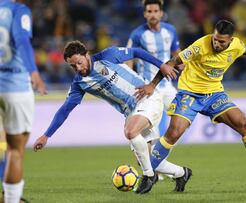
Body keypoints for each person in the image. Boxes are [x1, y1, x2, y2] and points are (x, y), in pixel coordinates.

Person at [136, 20, 246, 194]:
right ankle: (148, 176)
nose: (217, 43)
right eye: (215, 39)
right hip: (190, 94)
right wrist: (152, 85)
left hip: (214, 95)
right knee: (173, 134)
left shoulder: (237, 45)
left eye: (222, 41)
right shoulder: (200, 46)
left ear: (231, 40)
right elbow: (172, 61)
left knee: (244, 124)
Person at [32, 40, 190, 194]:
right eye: (73, 66)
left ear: (86, 55)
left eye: (79, 62)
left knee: (130, 132)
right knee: (145, 159)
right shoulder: (79, 83)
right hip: (132, 112)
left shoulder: (108, 56)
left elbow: (136, 52)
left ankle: (148, 177)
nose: (78, 68)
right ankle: (181, 173)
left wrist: (161, 65)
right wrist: (47, 135)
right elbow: (65, 110)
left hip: (147, 98)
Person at [126, 0, 181, 180]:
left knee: (181, 122)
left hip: (168, 87)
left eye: (155, 11)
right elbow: (129, 58)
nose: (152, 14)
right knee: (149, 132)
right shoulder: (137, 34)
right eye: (149, 11)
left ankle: (159, 164)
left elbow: (177, 54)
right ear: (144, 14)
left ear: (161, 12)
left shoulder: (170, 30)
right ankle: (154, 170)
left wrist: (185, 69)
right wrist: (129, 82)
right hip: (149, 88)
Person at [0, 0, 47, 202]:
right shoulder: (18, 11)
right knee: (15, 150)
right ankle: (11, 199)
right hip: (15, 86)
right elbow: (22, 40)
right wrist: (33, 72)